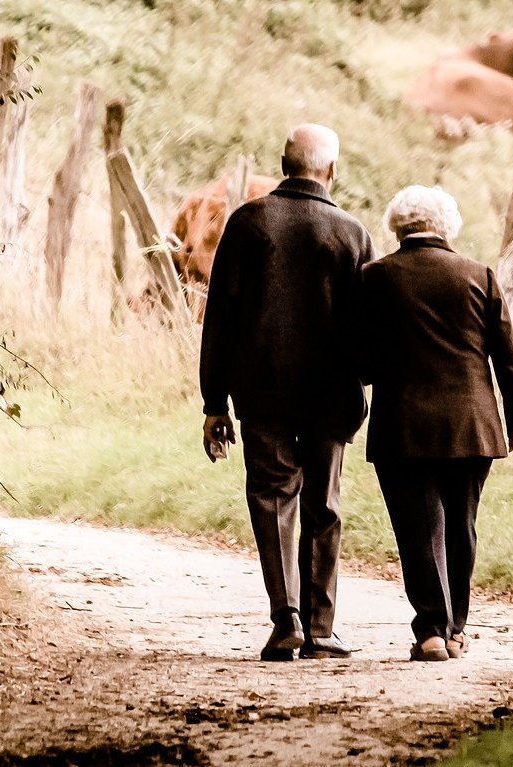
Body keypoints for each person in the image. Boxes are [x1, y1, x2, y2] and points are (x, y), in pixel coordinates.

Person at [199, 124, 375, 662]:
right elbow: (365, 325)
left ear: (282, 163)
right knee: (323, 503)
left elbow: (219, 318)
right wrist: (362, 382)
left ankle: (286, 620)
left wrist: (214, 403)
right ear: (333, 171)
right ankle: (322, 629)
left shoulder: (249, 223)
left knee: (273, 499)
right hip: (330, 394)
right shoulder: (351, 232)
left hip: (262, 391)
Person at [356, 185, 513, 662]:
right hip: (473, 424)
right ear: (447, 226)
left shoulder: (374, 278)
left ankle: (431, 630)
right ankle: (455, 629)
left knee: (419, 528)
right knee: (461, 525)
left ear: (398, 226)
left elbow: (362, 360)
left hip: (402, 425)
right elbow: (508, 358)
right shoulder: (479, 276)